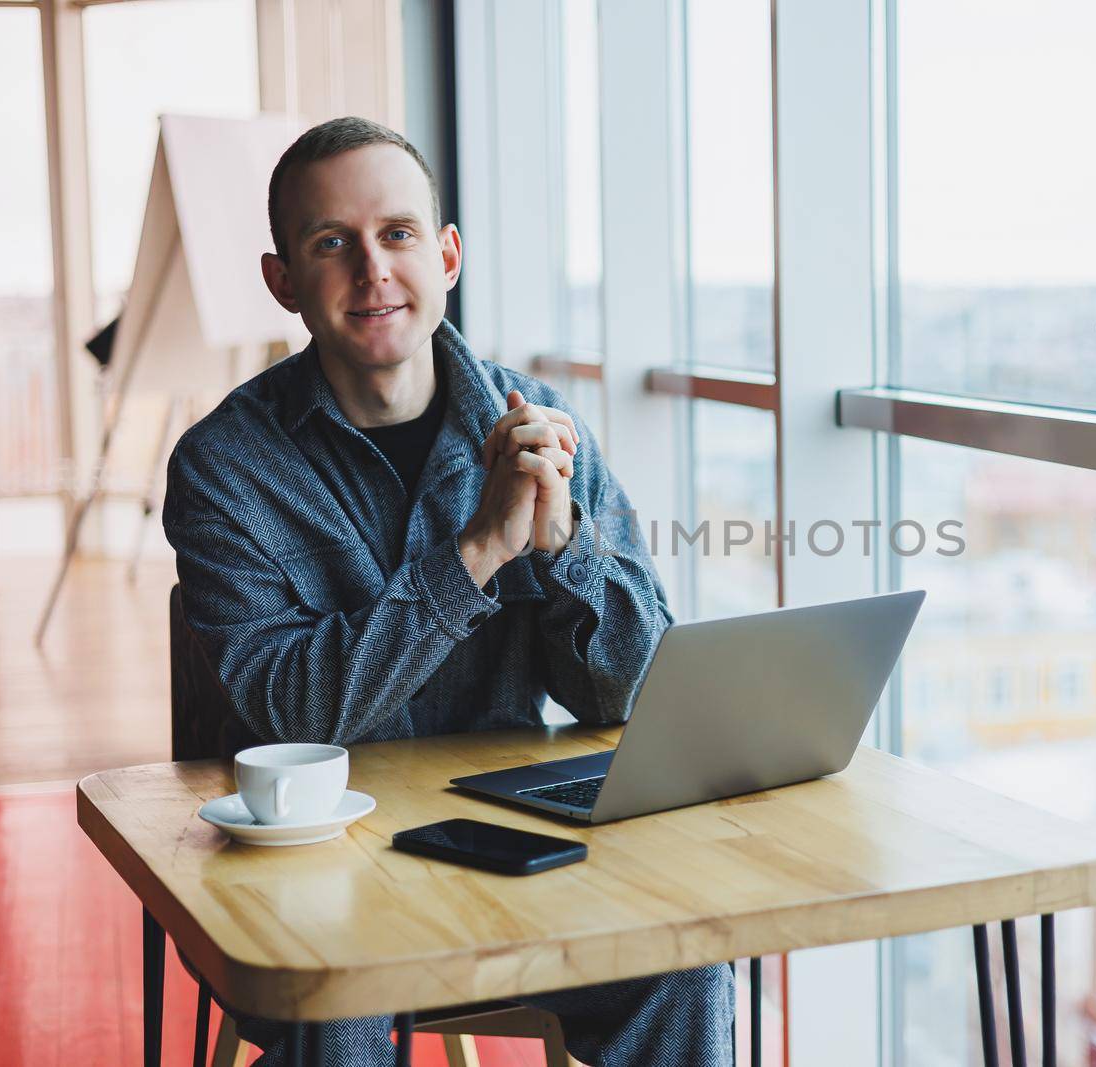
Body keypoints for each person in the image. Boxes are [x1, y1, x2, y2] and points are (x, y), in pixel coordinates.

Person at [162, 116, 733, 1066]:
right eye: (330, 244)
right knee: (342, 1003)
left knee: (685, 967)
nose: (373, 270)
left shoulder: (542, 432)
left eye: (398, 234)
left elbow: (634, 694)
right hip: (303, 873)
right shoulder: (224, 467)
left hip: (510, 854)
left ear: (448, 254)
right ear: (284, 282)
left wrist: (562, 549)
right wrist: (475, 552)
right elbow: (295, 710)